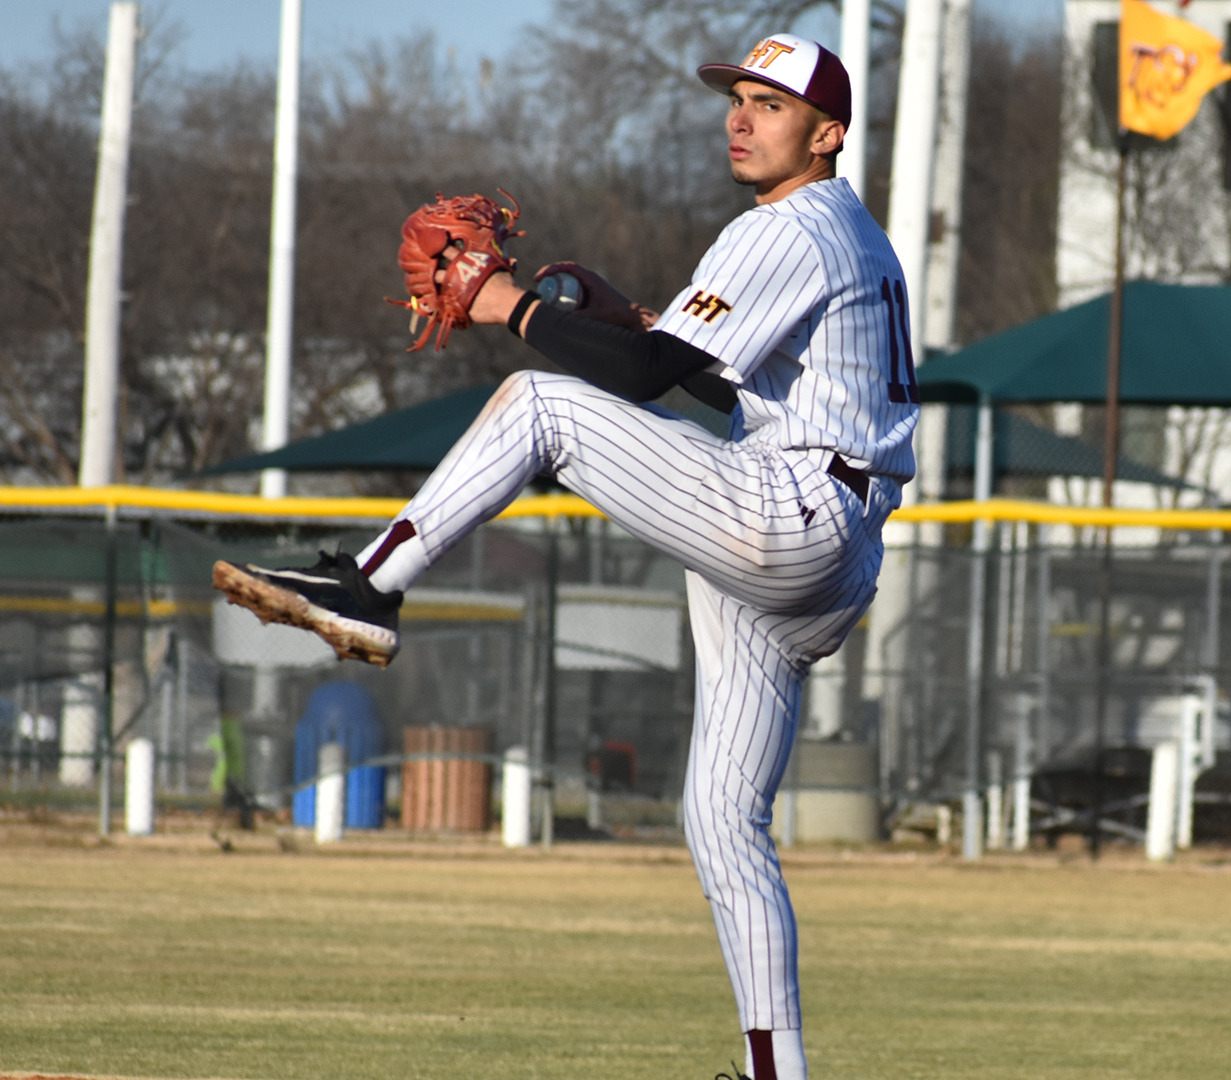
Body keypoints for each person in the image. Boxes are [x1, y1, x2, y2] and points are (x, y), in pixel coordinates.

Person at [213, 34, 916, 1080]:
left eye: (770, 105)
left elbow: (640, 377)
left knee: (542, 406)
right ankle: (780, 1074)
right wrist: (632, 320)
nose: (740, 117)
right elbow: (711, 374)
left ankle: (370, 589)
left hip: (793, 510)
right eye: (737, 98)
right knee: (724, 822)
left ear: (828, 135)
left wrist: (510, 305)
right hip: (827, 542)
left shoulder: (788, 225)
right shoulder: (847, 229)